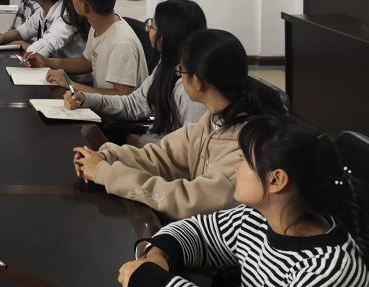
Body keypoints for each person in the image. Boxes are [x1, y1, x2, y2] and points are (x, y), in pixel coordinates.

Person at [117, 114, 369, 287]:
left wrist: (155, 281)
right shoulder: (257, 217)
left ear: (276, 180)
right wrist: (159, 255)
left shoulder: (326, 272)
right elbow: (198, 231)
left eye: (245, 161)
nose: (237, 168)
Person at [72, 28, 288, 220]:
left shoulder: (247, 148)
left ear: (197, 82)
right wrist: (107, 156)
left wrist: (106, 173)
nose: (178, 76)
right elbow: (161, 157)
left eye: (181, 71)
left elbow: (186, 201)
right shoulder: (214, 121)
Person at [64, 0, 208, 144]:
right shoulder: (167, 64)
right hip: (153, 146)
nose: (149, 30)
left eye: (152, 26)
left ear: (165, 37)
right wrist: (87, 99)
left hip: (159, 153)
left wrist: (139, 143)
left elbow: (191, 149)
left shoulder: (191, 88)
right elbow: (134, 104)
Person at [25, 0, 148, 95]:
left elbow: (123, 96)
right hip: (100, 102)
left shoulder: (121, 43)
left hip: (114, 107)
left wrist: (71, 85)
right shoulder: (97, 24)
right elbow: (86, 62)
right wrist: (46, 62)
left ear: (85, 6)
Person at [12, 0, 87, 60]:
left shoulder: (65, 15)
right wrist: (0, 38)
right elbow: (24, 30)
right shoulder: (43, 11)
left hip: (71, 69)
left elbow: (43, 48)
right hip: (57, 65)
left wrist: (24, 45)